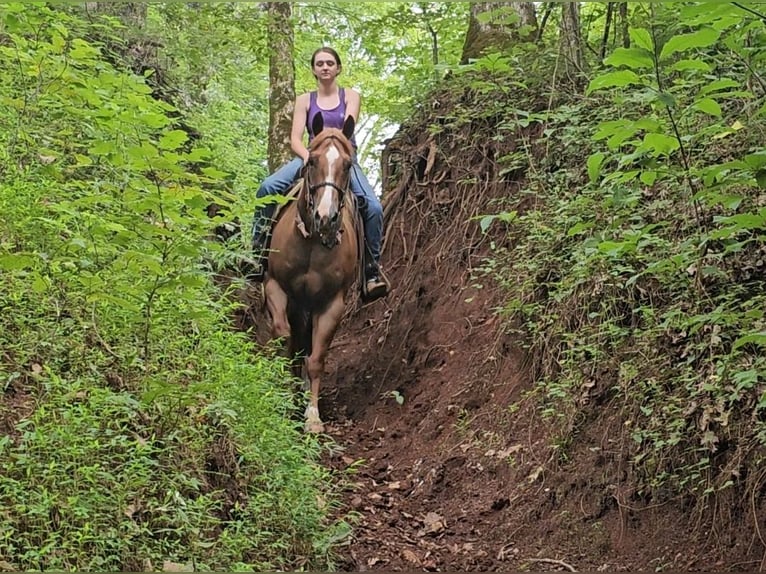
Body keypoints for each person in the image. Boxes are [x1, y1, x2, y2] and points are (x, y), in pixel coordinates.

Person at [250, 46, 388, 301]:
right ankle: (256, 254)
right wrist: (307, 157)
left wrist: (335, 154)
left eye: (330, 63)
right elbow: (295, 137)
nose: (325, 67)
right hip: (311, 156)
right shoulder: (304, 100)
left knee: (373, 207)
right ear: (314, 69)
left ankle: (371, 271)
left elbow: (344, 131)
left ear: (338, 68)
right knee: (267, 188)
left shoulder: (351, 96)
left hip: (344, 158)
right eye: (320, 63)